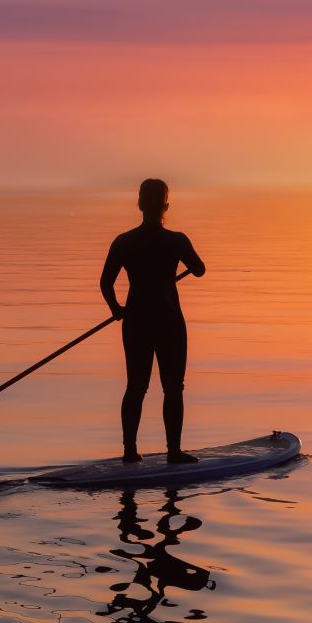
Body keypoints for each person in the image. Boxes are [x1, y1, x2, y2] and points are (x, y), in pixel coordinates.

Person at [100, 178, 205, 464]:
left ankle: (129, 452)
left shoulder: (123, 242)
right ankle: (173, 452)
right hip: (169, 321)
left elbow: (105, 283)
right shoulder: (177, 241)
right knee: (173, 387)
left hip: (135, 321)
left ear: (139, 205)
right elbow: (199, 269)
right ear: (165, 206)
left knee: (136, 386)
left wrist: (116, 309)